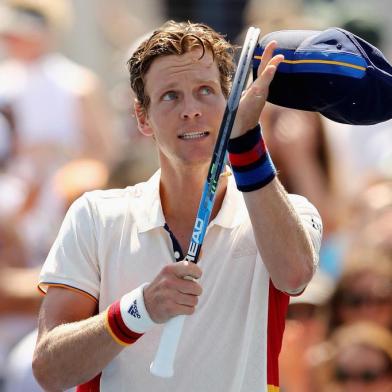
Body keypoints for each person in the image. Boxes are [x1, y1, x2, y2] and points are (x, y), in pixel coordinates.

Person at [32, 21, 322, 391]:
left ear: (229, 102)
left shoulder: (289, 212)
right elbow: (49, 370)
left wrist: (247, 141)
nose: (191, 110)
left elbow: (294, 275)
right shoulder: (95, 215)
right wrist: (138, 310)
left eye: (205, 91)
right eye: (171, 95)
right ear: (142, 117)